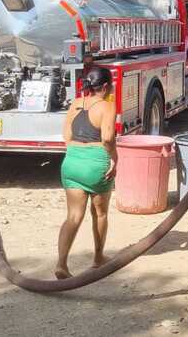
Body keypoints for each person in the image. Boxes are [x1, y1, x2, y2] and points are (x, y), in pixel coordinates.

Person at [55, 67, 118, 279]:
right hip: (95, 163)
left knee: (73, 216)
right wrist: (114, 159)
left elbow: (66, 134)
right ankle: (98, 258)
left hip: (71, 162)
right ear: (107, 87)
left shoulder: (75, 104)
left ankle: (61, 264)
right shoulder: (107, 106)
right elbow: (108, 138)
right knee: (99, 213)